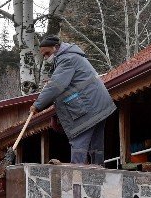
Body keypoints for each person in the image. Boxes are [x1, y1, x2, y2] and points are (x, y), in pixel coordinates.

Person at [32, 35, 116, 165]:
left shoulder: (67, 59)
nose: (46, 57)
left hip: (89, 106)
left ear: (56, 47)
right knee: (96, 143)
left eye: (47, 53)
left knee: (79, 139)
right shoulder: (71, 56)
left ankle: (76, 174)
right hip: (99, 104)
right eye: (43, 55)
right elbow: (68, 82)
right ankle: (98, 170)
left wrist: (38, 105)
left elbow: (56, 86)